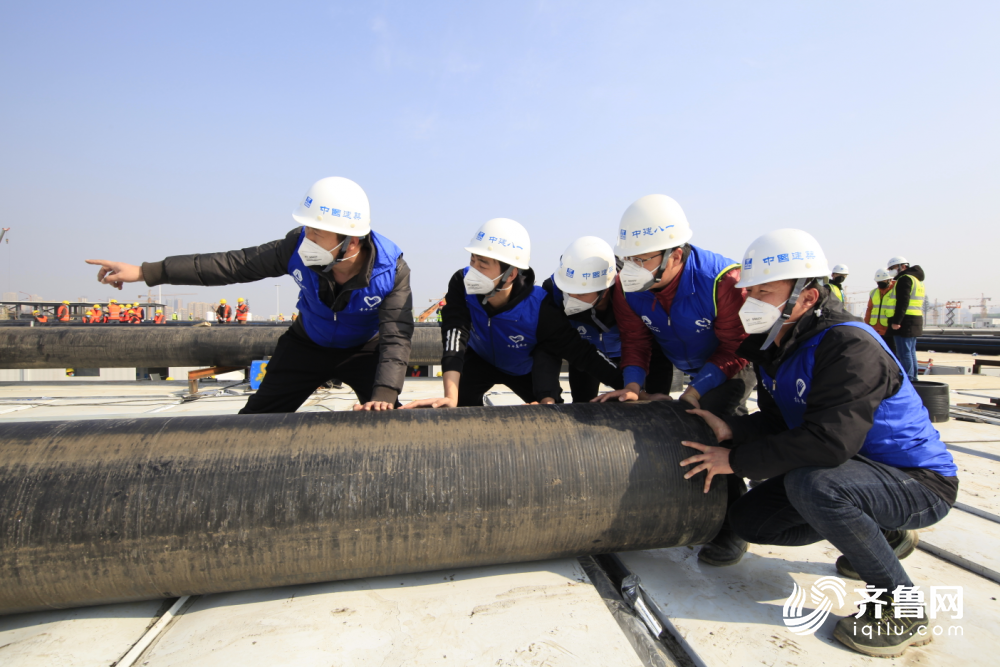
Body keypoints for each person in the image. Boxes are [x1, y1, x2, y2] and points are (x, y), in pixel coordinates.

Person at [680, 229, 957, 659]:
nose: (750, 302)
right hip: (853, 472)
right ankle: (883, 532)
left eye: (764, 292)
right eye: (749, 291)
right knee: (751, 520)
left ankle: (904, 608)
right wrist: (734, 431)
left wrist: (735, 460)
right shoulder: (775, 344)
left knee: (814, 485)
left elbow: (829, 443)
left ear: (806, 298)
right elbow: (777, 422)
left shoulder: (848, 346)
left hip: (916, 482)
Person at [87, 176, 414, 412]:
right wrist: (146, 272)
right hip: (306, 346)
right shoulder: (294, 248)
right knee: (253, 427)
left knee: (386, 420)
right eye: (306, 231)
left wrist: (384, 393)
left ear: (350, 242)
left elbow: (396, 337)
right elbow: (231, 265)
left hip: (364, 352)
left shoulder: (391, 271)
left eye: (315, 234)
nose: (306, 240)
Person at [594, 194, 754, 566]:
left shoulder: (722, 281)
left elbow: (737, 347)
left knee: (710, 425)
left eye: (641, 259)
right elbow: (636, 340)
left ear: (675, 255)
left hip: (733, 362)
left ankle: (734, 525)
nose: (631, 267)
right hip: (686, 359)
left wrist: (696, 391)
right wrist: (633, 385)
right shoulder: (628, 287)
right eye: (627, 259)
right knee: (685, 420)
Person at [402, 218, 622, 409]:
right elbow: (454, 334)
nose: (473, 270)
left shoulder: (539, 306)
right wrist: (450, 396)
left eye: (483, 264)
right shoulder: (461, 283)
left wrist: (631, 387)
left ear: (510, 274)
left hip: (524, 368)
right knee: (459, 408)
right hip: (480, 360)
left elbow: (580, 352)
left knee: (549, 412)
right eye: (472, 260)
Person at [538, 236, 673, 402]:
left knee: (652, 404)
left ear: (605, 290)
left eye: (580, 294)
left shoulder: (634, 291)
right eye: (567, 290)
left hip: (637, 355)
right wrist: (547, 396)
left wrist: (641, 391)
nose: (570, 298)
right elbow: (555, 347)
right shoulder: (553, 293)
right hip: (585, 356)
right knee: (584, 407)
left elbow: (653, 344)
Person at [885, 256, 924, 382]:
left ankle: (908, 379)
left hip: (905, 321)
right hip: (914, 319)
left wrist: (897, 321)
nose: (891, 270)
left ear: (902, 266)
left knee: (904, 353)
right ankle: (913, 378)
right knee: (910, 352)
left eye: (893, 268)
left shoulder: (904, 279)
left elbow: (903, 302)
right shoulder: (916, 279)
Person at [864, 268, 895, 350]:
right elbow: (869, 309)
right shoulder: (874, 292)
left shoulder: (895, 292)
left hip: (889, 330)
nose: (879, 283)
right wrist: (866, 325)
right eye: (878, 281)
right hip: (875, 329)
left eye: (882, 281)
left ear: (890, 279)